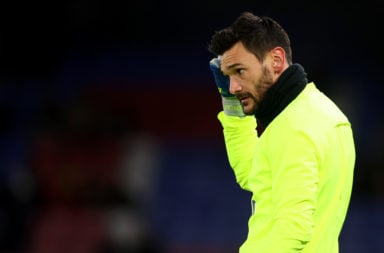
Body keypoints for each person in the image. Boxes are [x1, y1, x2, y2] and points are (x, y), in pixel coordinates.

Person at [207, 12, 355, 253]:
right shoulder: (323, 112)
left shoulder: (294, 128)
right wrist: (231, 104)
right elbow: (253, 172)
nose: (233, 87)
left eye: (240, 71)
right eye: (228, 76)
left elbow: (293, 230)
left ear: (276, 60)